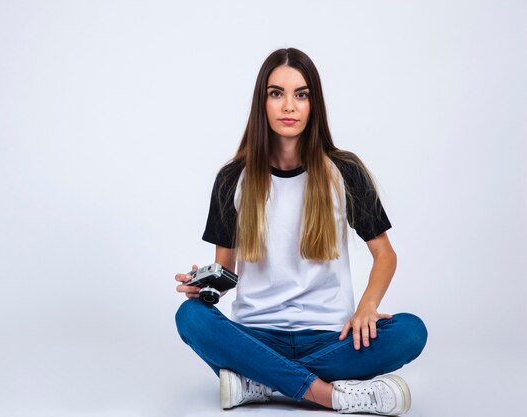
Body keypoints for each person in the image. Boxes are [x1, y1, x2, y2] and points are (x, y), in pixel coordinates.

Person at [174, 47, 427, 415]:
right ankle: (331, 396)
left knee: (410, 331)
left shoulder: (344, 171)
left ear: (314, 104)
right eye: (276, 93)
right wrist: (204, 286)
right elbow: (224, 269)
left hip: (332, 337)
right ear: (262, 103)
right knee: (190, 317)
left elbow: (385, 253)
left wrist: (367, 308)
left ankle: (260, 381)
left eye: (301, 94)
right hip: (257, 336)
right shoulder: (233, 179)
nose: (289, 106)